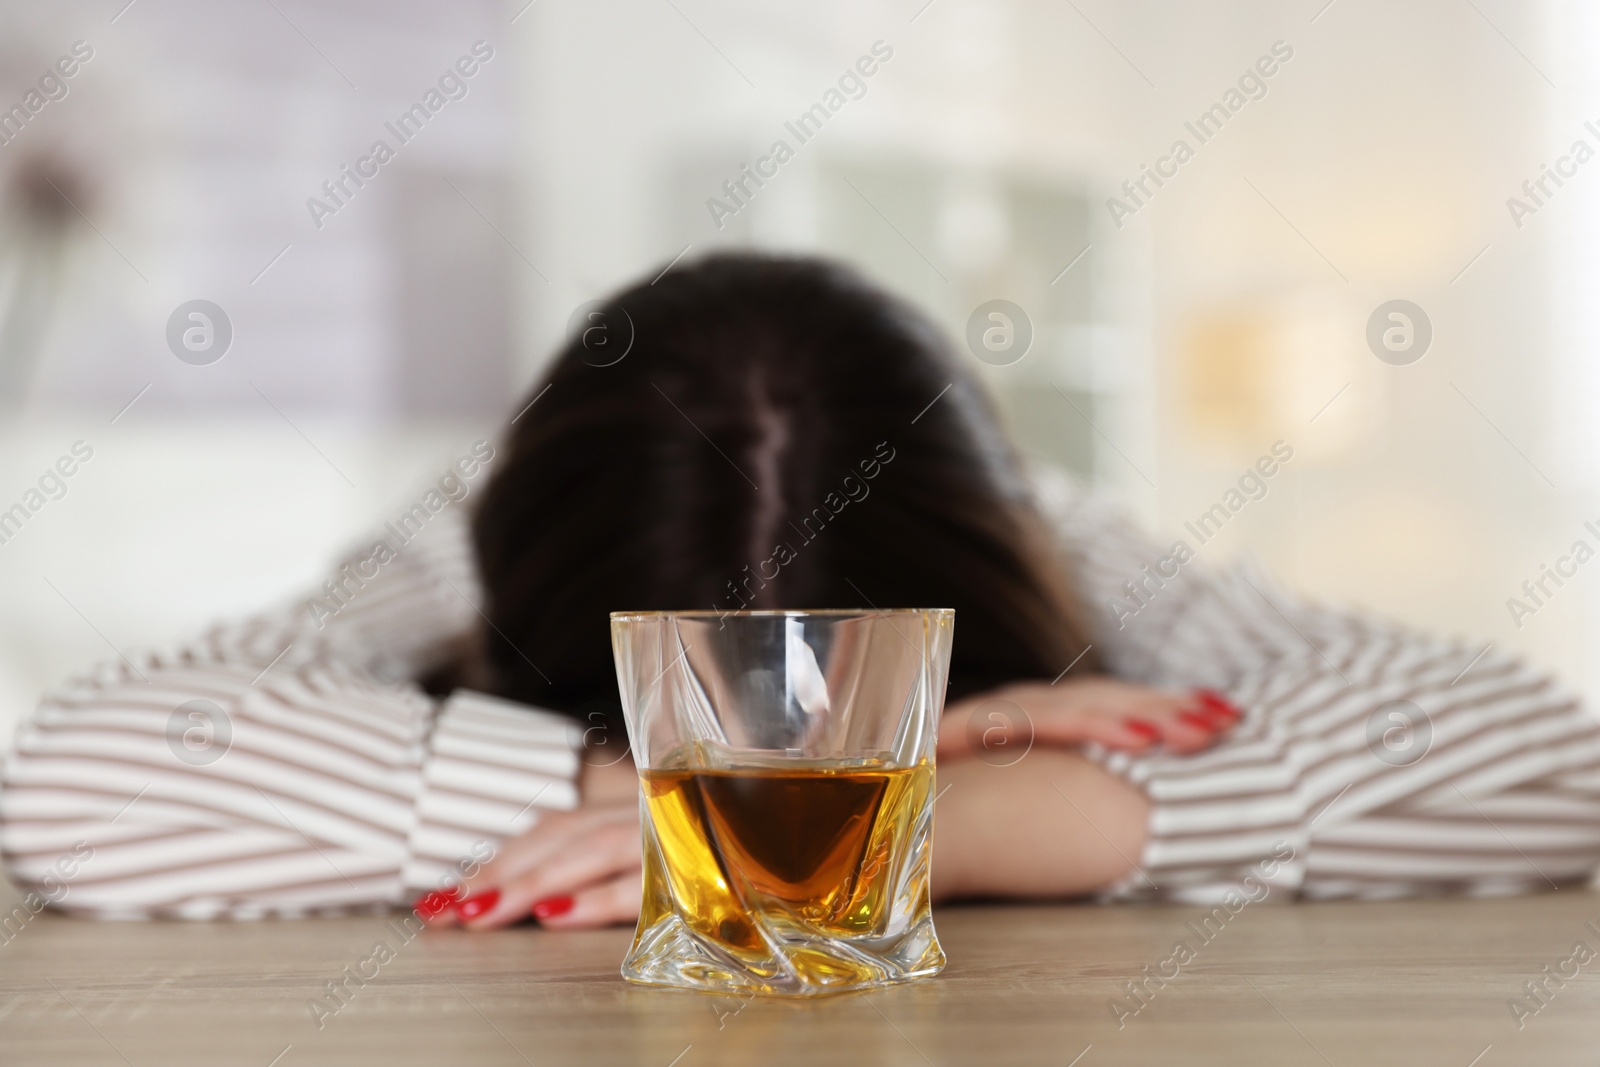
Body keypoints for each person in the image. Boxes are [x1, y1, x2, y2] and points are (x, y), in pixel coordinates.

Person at [4, 254, 1599, 930]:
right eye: (710, 745)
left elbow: (1542, 758)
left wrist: (940, 829)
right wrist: (718, 819)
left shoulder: (1079, 550)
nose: (781, 803)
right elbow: (69, 780)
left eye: (855, 740)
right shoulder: (447, 558)